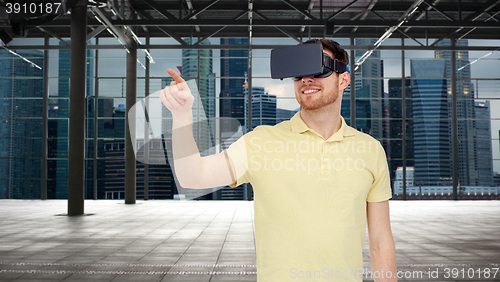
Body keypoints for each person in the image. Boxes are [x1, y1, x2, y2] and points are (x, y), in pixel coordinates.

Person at [160, 39, 397, 282]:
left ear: (343, 79)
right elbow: (193, 176)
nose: (307, 79)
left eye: (319, 70)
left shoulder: (369, 150)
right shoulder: (261, 142)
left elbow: (380, 241)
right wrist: (181, 115)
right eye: (298, 74)